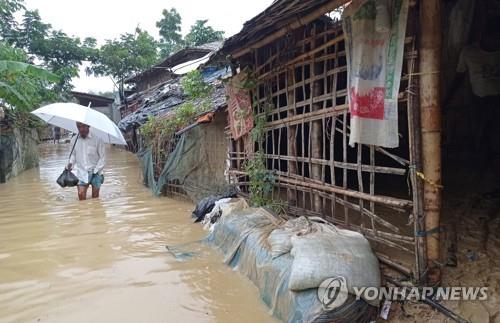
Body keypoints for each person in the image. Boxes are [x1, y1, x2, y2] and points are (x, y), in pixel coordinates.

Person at [445, 16, 500, 196]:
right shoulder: (469, 52)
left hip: (497, 101)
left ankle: (492, 176)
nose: (494, 40)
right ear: (483, 34)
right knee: (480, 136)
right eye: (492, 36)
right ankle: (483, 175)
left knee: (495, 139)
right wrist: (446, 101)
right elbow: (459, 77)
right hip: (479, 101)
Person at [66, 122, 106, 200]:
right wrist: (70, 164)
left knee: (95, 197)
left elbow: (103, 158)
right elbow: (73, 155)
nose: (81, 129)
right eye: (79, 127)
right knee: (81, 194)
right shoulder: (74, 140)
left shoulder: (97, 139)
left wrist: (95, 171)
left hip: (96, 172)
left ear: (88, 126)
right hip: (82, 172)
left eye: (83, 126)